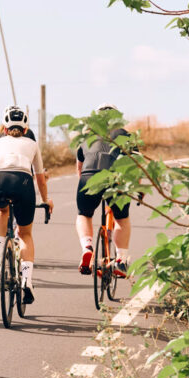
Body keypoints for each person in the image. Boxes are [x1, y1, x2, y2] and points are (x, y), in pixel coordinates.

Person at [0, 105, 54, 305]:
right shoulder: (31, 144)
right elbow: (40, 178)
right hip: (22, 183)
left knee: (2, 209)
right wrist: (45, 200)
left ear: (4, 129)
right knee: (25, 234)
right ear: (25, 129)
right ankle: (26, 280)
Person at [75, 104, 133, 277]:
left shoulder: (85, 138)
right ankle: (121, 261)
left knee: (84, 215)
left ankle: (87, 247)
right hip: (115, 178)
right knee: (122, 219)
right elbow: (135, 166)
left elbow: (79, 169)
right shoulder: (125, 135)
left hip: (89, 177)